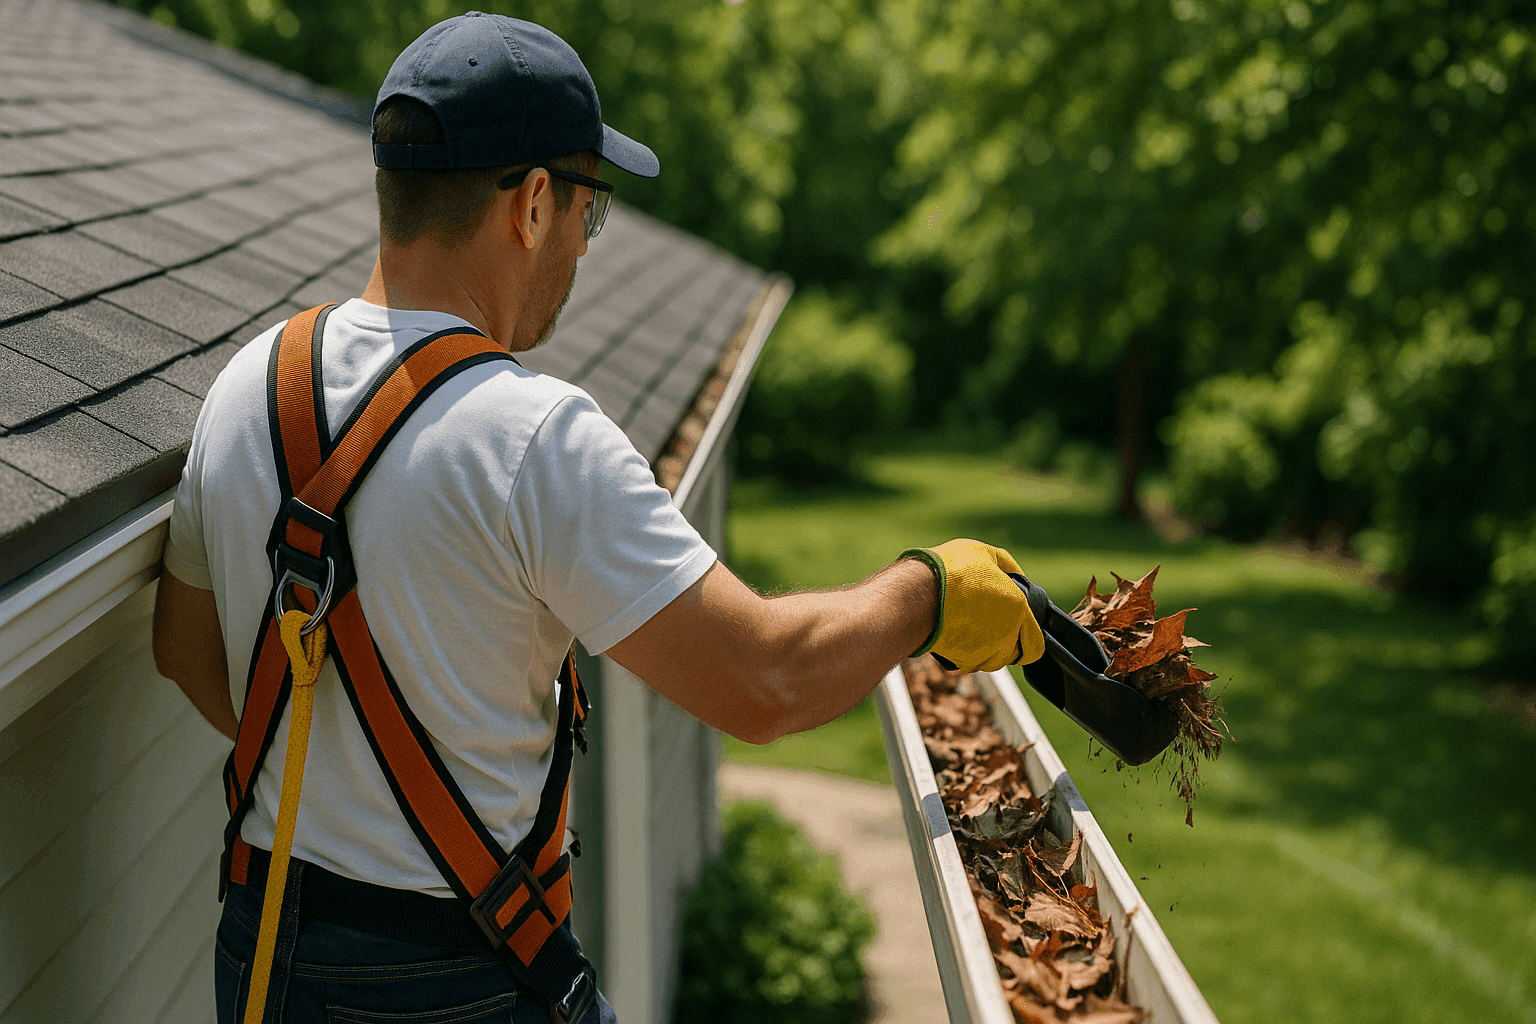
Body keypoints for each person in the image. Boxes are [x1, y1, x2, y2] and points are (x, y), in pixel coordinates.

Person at [150, 12, 1044, 1024]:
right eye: (589, 211)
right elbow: (765, 680)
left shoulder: (245, 387)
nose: (582, 244)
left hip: (261, 953)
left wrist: (347, 777)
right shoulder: (533, 436)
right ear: (533, 205)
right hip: (454, 981)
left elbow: (185, 649)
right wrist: (928, 589)